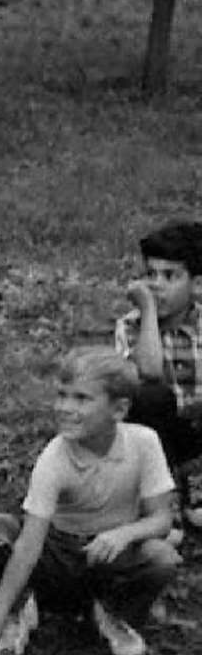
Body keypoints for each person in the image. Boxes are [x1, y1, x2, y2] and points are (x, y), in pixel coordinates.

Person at [0, 348, 180, 655]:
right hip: (57, 550)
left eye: (81, 399)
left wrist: (124, 534)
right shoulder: (55, 458)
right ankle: (18, 609)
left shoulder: (144, 443)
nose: (65, 408)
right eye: (61, 396)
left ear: (118, 409)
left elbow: (162, 519)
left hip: (108, 554)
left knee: (162, 557)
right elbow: (28, 545)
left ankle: (111, 612)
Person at [115, 221, 202, 526]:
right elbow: (148, 371)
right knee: (149, 394)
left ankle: (196, 485)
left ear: (197, 284)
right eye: (150, 275)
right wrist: (149, 313)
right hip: (156, 434)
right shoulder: (131, 326)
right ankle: (165, 498)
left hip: (198, 428)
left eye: (170, 276)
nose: (156, 285)